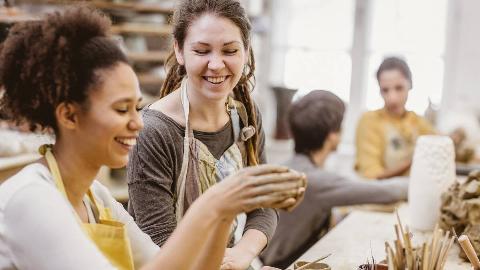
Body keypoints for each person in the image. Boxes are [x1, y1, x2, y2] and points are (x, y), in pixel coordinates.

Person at [0, 6, 303, 270]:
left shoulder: (98, 198)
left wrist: (224, 218)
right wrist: (214, 205)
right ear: (68, 116)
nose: (139, 123)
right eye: (121, 109)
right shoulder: (31, 199)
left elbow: (166, 265)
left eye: (136, 106)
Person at [126, 1, 301, 269]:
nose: (216, 64)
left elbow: (264, 205)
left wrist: (240, 255)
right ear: (179, 50)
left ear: (245, 50)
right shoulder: (153, 131)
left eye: (230, 50)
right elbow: (158, 241)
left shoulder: (246, 116)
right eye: (202, 51)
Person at [260, 90, 408, 269]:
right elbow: (387, 192)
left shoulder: (290, 166)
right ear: (332, 135)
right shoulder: (312, 180)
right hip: (282, 265)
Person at [355, 57, 435, 179]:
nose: (392, 98)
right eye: (385, 90)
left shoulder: (417, 122)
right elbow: (372, 176)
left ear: (410, 85)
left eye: (399, 88)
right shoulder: (369, 121)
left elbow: (440, 144)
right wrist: (415, 160)